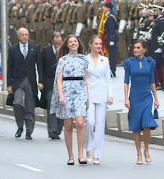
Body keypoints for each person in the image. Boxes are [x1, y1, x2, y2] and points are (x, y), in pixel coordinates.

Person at [50, 34, 89, 165]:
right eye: (70, 42)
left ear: (78, 43)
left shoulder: (84, 59)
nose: (73, 43)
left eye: (75, 41)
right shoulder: (62, 60)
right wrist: (61, 95)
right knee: (68, 125)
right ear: (67, 45)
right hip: (67, 91)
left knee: (79, 122)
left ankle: (81, 155)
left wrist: (88, 97)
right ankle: (71, 156)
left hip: (80, 91)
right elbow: (59, 79)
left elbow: (86, 79)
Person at [124, 39, 159, 165]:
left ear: (144, 49)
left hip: (146, 96)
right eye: (135, 47)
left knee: (147, 123)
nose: (136, 50)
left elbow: (152, 81)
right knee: (136, 125)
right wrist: (126, 98)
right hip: (134, 96)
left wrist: (156, 98)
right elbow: (126, 82)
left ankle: (146, 150)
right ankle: (138, 153)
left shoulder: (150, 62)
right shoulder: (129, 63)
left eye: (139, 47)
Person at [7, 27, 44, 140]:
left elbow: (39, 66)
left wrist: (41, 81)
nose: (24, 36)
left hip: (31, 81)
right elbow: (9, 67)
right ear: (18, 37)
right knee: (17, 102)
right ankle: (20, 126)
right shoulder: (13, 49)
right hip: (18, 81)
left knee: (30, 106)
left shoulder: (35, 48)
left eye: (26, 34)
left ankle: (29, 130)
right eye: (22, 35)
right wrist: (9, 84)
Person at [84, 35, 113, 165]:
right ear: (90, 45)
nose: (99, 46)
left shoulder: (104, 60)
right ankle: (88, 149)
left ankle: (97, 154)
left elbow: (108, 79)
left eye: (100, 44)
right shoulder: (84, 60)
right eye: (96, 44)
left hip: (102, 93)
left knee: (100, 124)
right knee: (90, 122)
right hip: (89, 93)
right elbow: (83, 79)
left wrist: (110, 95)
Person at [39, 33, 64, 139]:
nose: (58, 44)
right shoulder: (46, 50)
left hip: (63, 84)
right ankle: (52, 131)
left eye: (59, 42)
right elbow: (41, 67)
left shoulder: (65, 51)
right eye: (56, 42)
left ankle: (58, 129)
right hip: (49, 83)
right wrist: (41, 82)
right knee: (51, 106)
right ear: (52, 41)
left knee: (62, 107)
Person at [103, 2, 119, 77]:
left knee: (112, 55)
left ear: (108, 8)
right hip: (109, 38)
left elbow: (112, 29)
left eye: (104, 7)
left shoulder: (110, 17)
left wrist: (112, 39)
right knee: (111, 55)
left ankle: (113, 71)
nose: (103, 8)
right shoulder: (108, 16)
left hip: (111, 38)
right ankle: (111, 70)